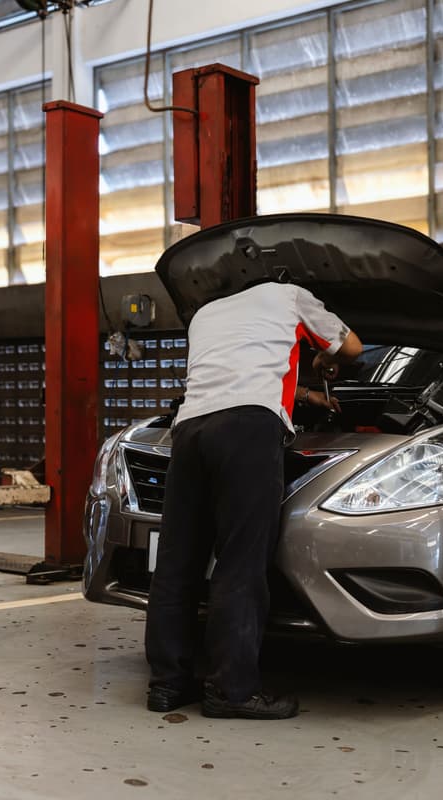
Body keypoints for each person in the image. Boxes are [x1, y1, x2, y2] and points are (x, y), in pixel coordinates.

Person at [144, 278, 362, 720]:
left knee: (176, 561)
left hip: (189, 432)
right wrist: (320, 357)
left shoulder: (206, 314)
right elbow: (352, 348)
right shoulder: (292, 295)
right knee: (241, 561)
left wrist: (301, 393)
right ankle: (232, 690)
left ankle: (167, 684)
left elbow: (234, 372)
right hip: (248, 431)